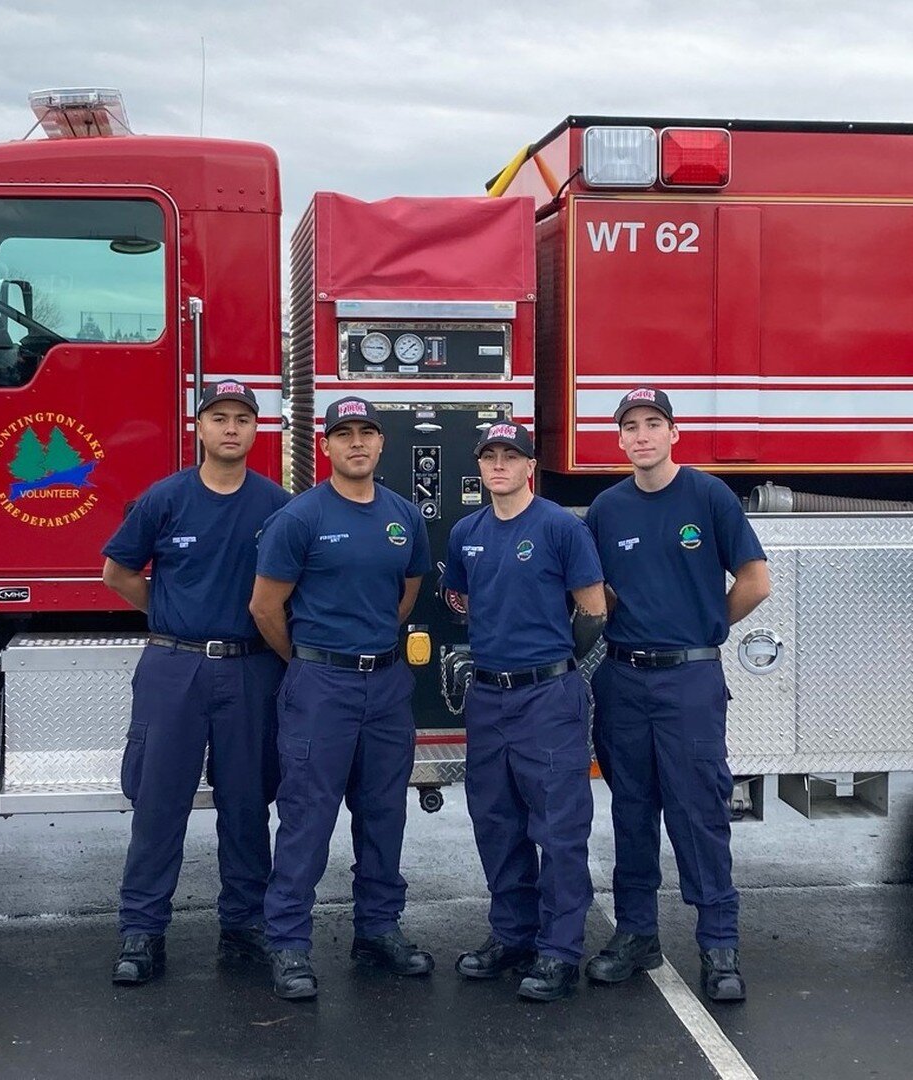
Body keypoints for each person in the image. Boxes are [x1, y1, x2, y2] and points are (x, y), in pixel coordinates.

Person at [584, 387, 770, 1002]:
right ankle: (637, 934)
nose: (641, 435)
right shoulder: (607, 509)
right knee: (631, 809)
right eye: (630, 426)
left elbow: (755, 582)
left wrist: (708, 627)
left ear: (673, 433)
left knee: (699, 811)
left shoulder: (708, 495)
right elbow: (600, 593)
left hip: (688, 680)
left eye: (652, 423)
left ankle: (719, 944)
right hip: (622, 676)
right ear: (619, 439)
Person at [102, 380, 290, 985]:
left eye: (242, 418)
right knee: (159, 803)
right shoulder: (165, 499)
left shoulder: (278, 506)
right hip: (173, 668)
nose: (231, 428)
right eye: (219, 418)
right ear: (199, 428)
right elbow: (117, 572)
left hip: (250, 666)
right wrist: (169, 612)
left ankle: (245, 924)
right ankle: (141, 930)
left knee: (246, 802)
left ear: (256, 430)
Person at [250, 396, 433, 1001]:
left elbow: (403, 594)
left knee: (384, 813)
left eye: (367, 433)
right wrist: (311, 661)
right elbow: (265, 607)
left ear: (381, 444)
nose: (357, 443)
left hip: (384, 686)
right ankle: (288, 943)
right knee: (307, 815)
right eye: (344, 434)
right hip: (319, 686)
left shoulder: (404, 515)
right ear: (324, 446)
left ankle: (378, 928)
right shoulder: (299, 518)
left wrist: (367, 651)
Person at [443, 422, 606, 1002]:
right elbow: (460, 599)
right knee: (497, 819)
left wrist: (551, 666)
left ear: (530, 466)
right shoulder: (466, 531)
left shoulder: (562, 528)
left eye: (511, 456)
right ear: (481, 467)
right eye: (489, 456)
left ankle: (559, 951)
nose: (499, 466)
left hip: (548, 698)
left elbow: (591, 611)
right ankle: (512, 935)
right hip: (488, 697)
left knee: (558, 828)